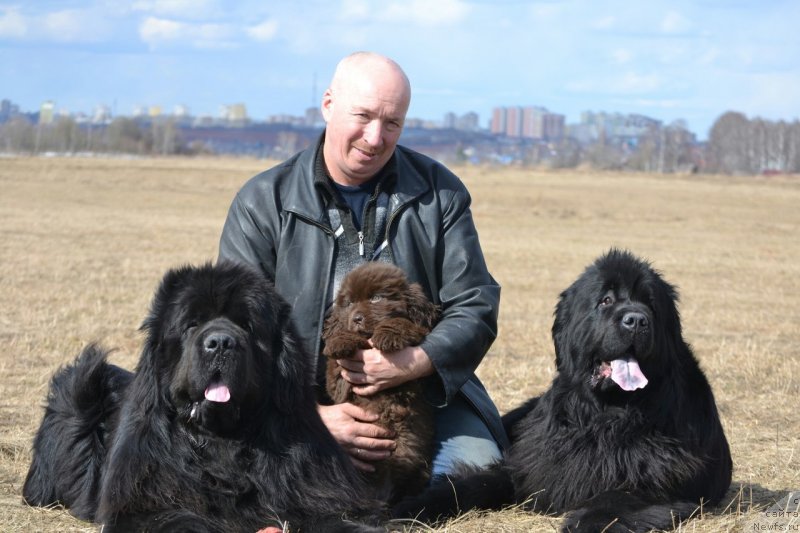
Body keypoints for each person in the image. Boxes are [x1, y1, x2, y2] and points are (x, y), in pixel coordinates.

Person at [218, 51, 509, 482]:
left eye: (392, 123)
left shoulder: (440, 193)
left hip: (423, 398)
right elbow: (237, 328)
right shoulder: (263, 202)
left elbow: (475, 305)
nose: (375, 137)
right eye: (364, 116)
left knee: (476, 471)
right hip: (297, 399)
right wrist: (309, 417)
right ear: (329, 104)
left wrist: (415, 360)